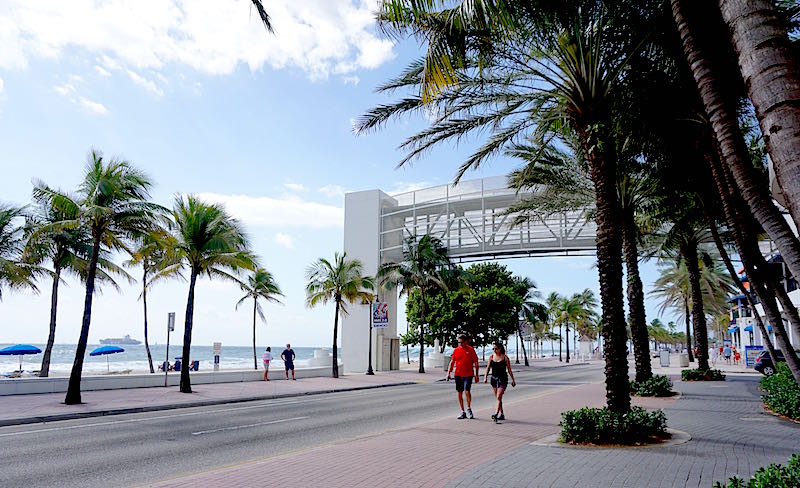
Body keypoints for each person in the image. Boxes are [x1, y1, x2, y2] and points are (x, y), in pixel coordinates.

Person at [446, 334, 479, 419]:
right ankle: (462, 411)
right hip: (458, 374)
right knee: (459, 392)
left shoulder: (471, 350)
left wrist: (476, 375)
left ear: (466, 341)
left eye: (461, 342)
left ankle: (468, 408)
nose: (460, 344)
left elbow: (476, 362)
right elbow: (452, 362)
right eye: (459, 342)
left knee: (467, 391)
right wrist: (448, 373)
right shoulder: (456, 350)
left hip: (468, 374)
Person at [484, 342, 516, 422]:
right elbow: (488, 368)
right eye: (493, 349)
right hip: (494, 379)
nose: (494, 350)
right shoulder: (491, 357)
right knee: (499, 398)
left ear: (500, 349)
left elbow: (509, 370)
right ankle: (501, 414)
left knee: (498, 397)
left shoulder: (505, 358)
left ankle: (496, 414)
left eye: (496, 349)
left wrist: (513, 380)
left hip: (503, 379)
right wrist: (485, 377)